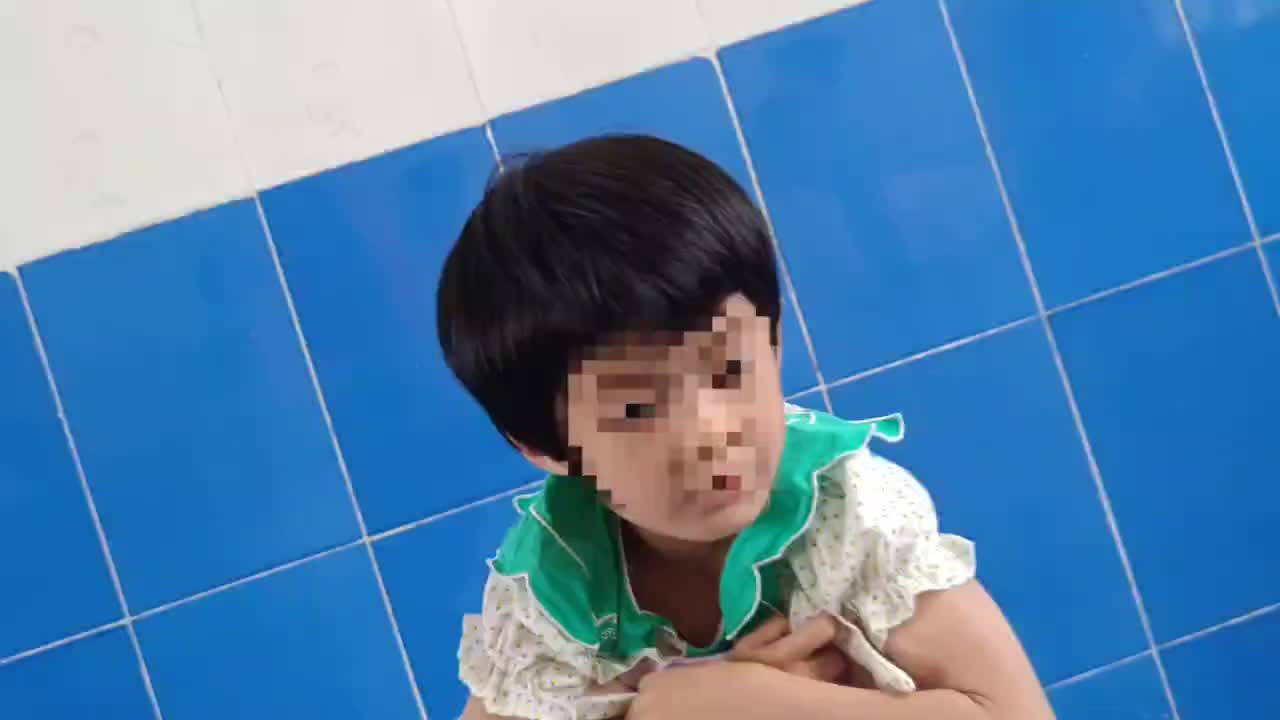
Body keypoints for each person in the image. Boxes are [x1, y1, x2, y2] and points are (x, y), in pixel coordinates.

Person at [436, 135, 1054, 720]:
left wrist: (760, 703)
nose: (711, 433)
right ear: (543, 446)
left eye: (730, 369)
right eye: (637, 411)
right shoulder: (552, 592)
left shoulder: (847, 519)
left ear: (773, 340)